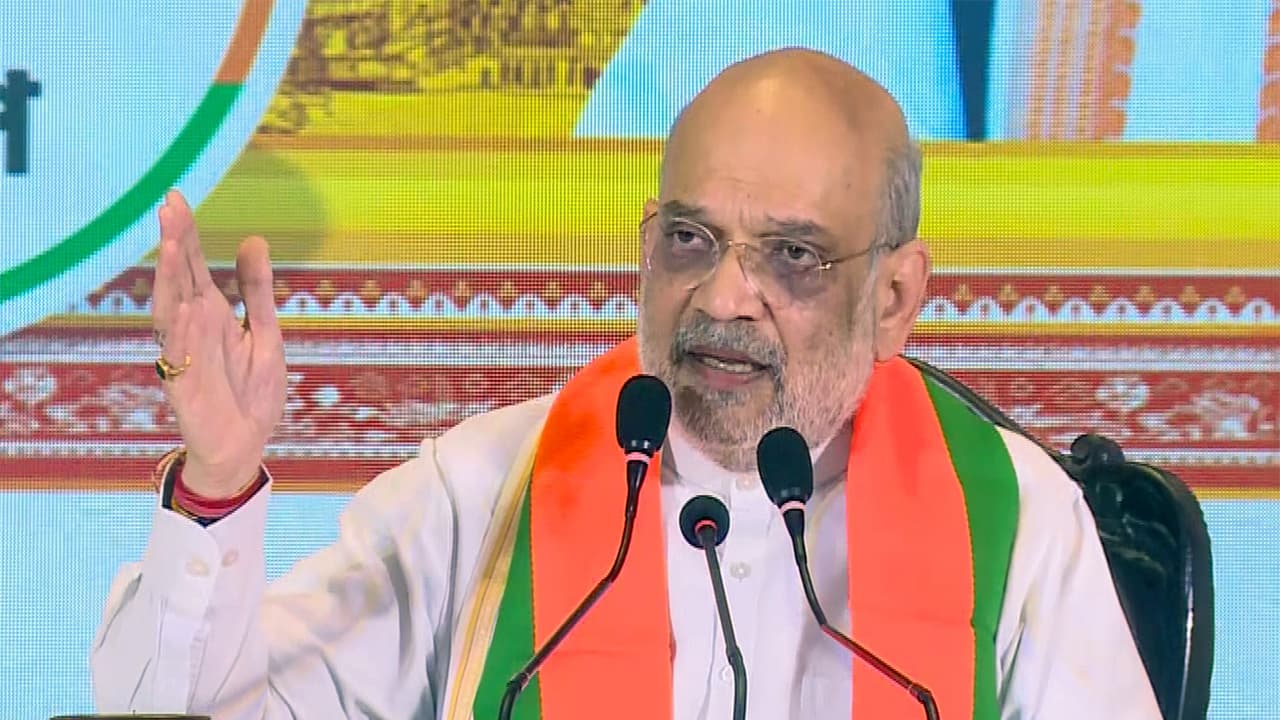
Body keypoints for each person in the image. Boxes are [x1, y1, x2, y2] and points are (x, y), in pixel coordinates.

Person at [91, 48, 1161, 719]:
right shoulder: (488, 492)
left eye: (792, 256)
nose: (724, 297)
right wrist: (216, 485)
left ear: (893, 296)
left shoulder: (1016, 518)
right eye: (690, 238)